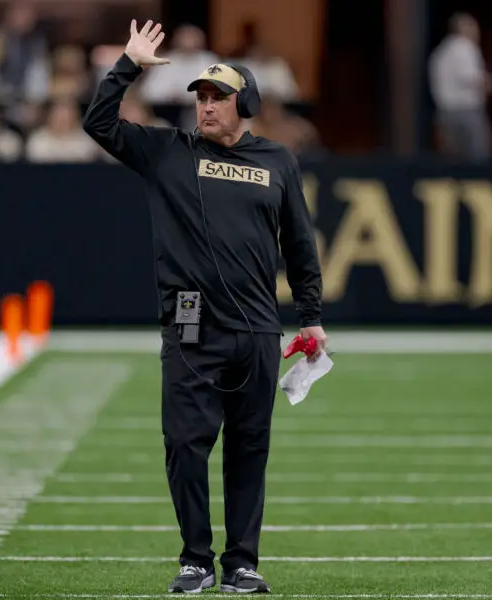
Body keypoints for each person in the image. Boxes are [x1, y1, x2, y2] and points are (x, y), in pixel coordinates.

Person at [82, 20, 327, 594]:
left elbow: (300, 244)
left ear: (247, 104)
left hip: (259, 332)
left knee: (249, 449)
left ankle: (242, 562)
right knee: (185, 447)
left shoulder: (278, 161)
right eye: (202, 97)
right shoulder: (168, 150)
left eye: (219, 97)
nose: (207, 106)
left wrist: (311, 315)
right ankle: (196, 557)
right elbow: (98, 123)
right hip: (192, 329)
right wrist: (128, 64)